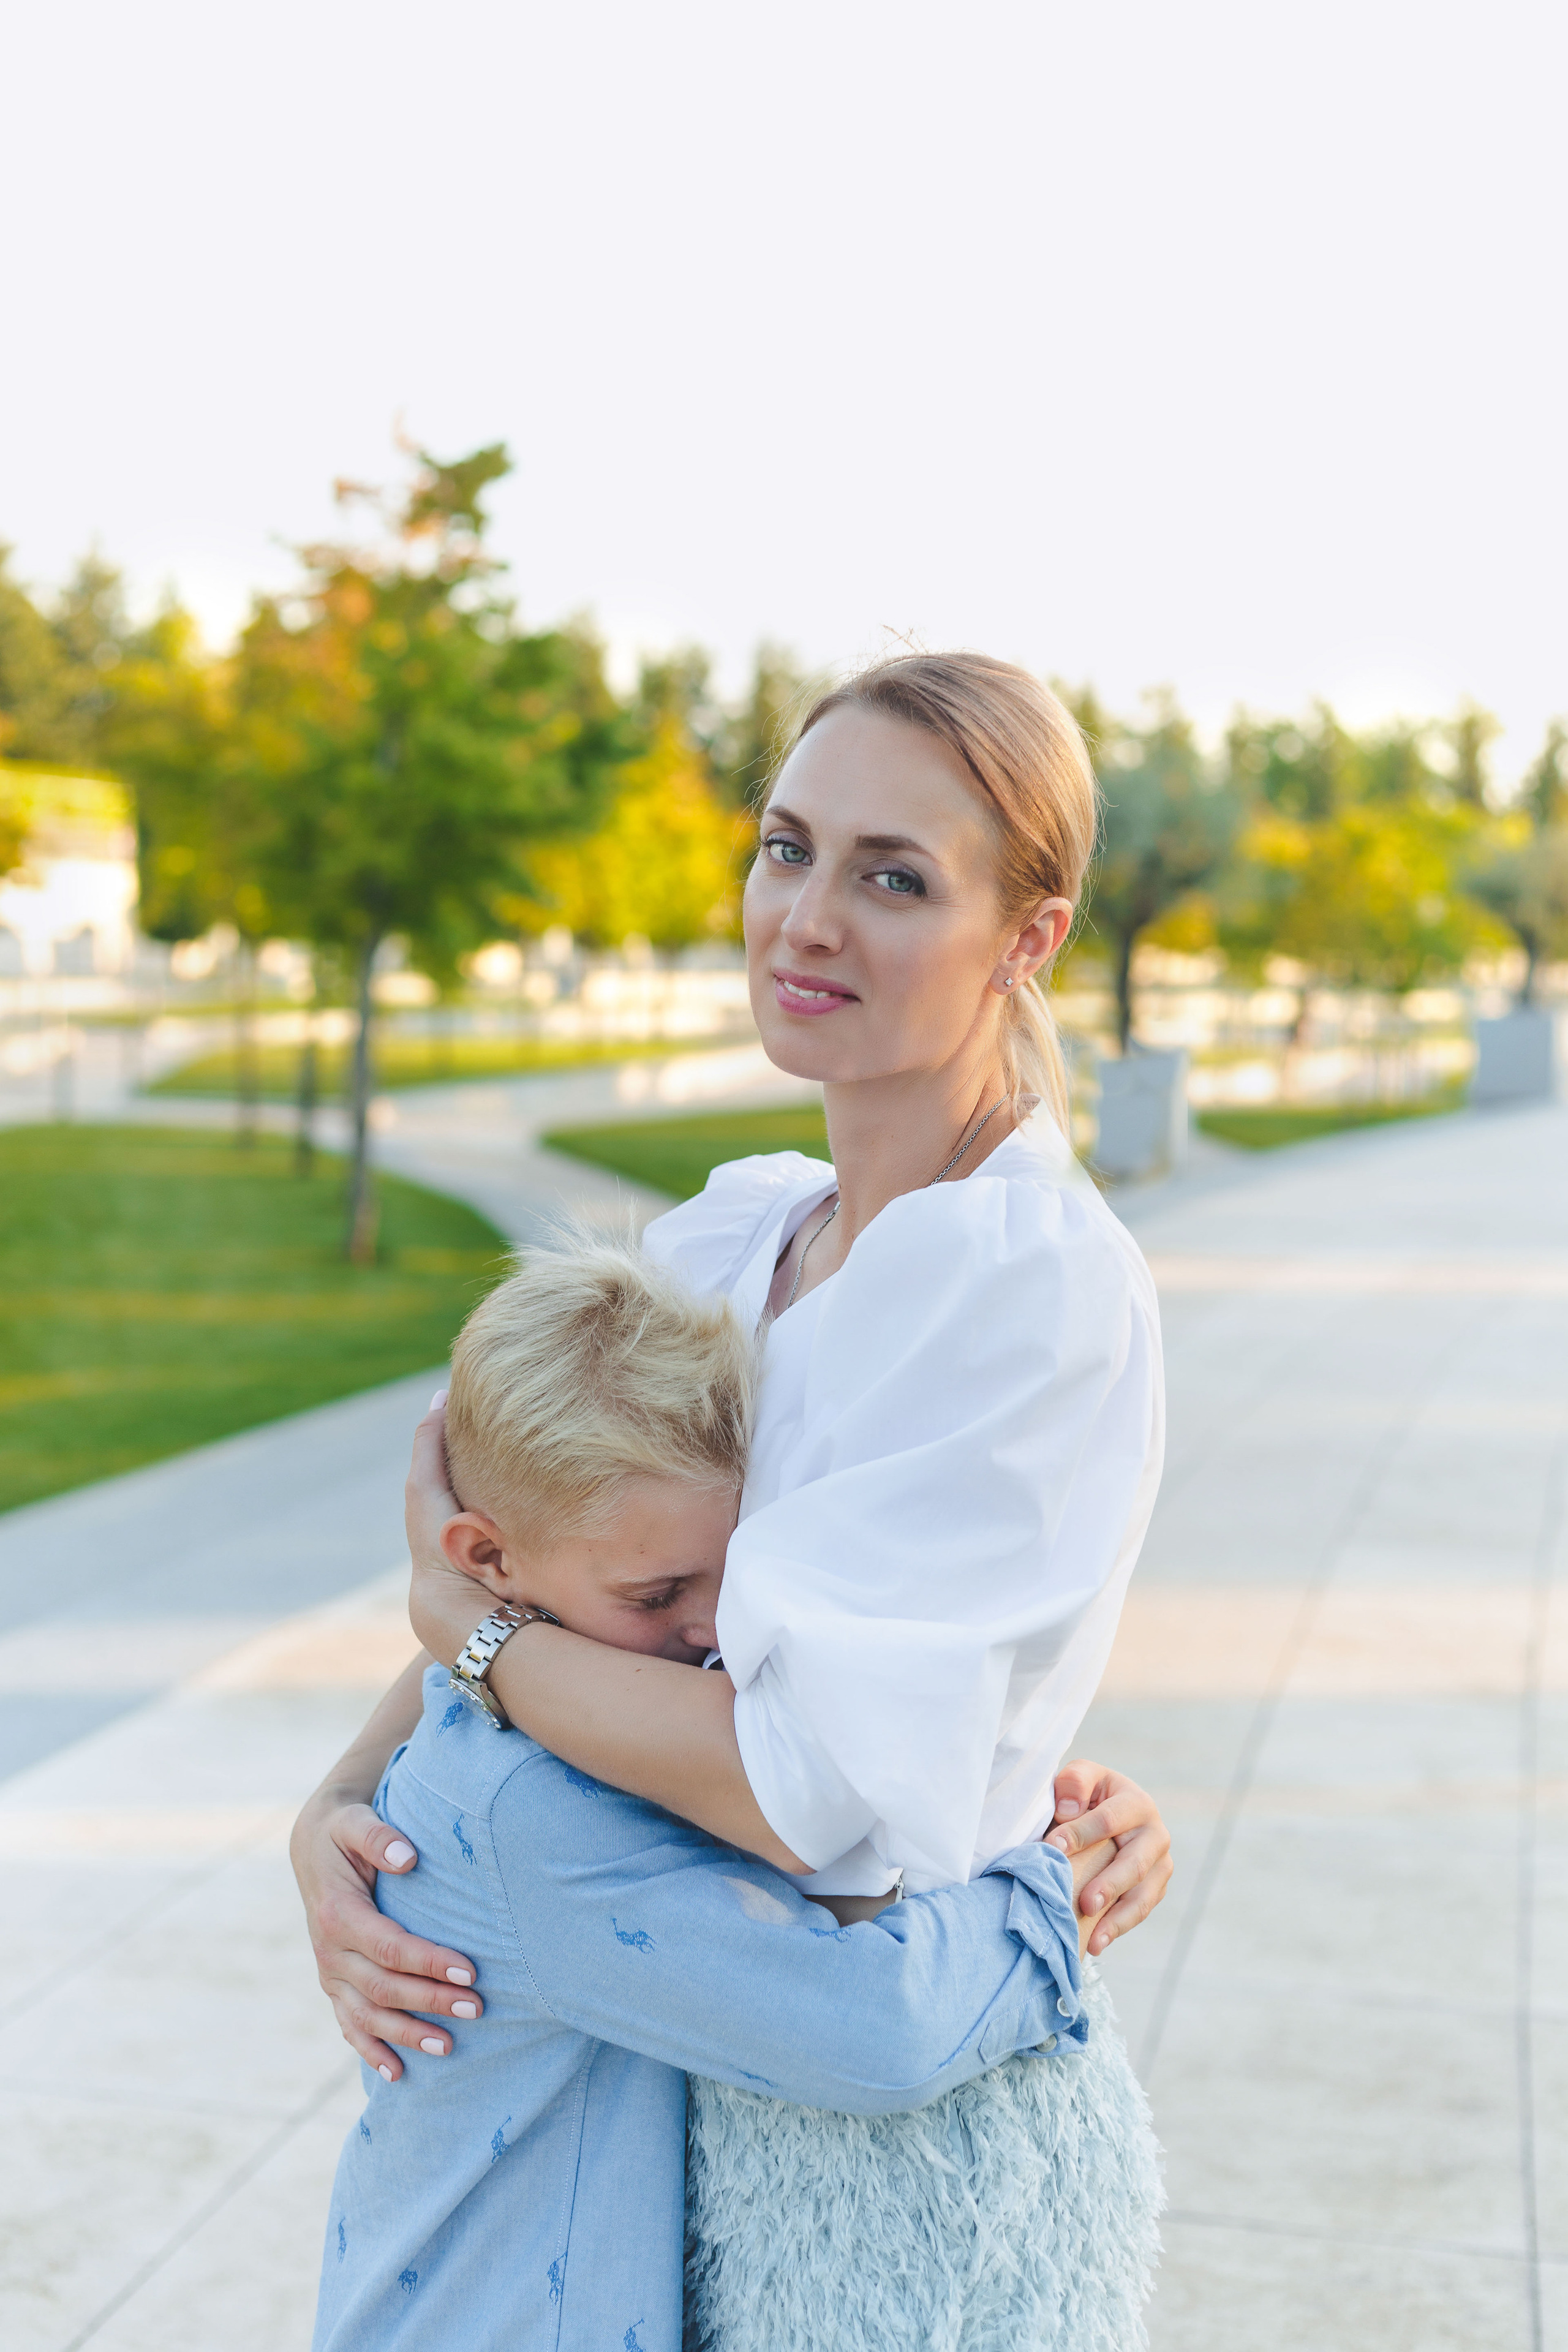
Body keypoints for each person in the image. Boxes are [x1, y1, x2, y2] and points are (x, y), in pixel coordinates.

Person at [293, 650, 1176, 2345]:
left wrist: (467, 1641)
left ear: (1031, 937)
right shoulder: (737, 1231)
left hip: (884, 2133)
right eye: (789, 848)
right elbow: (546, 1585)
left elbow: (804, 1791)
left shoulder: (1030, 1281)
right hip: (668, 2078)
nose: (808, 918)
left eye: (894, 877)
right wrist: (335, 1816)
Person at [312, 1240, 1113, 2351]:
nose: (711, 1627)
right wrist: (1057, 1890)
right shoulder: (541, 1815)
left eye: (739, 1570)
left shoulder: (528, 1696)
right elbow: (870, 2034)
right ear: (482, 1556)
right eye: (657, 1593)